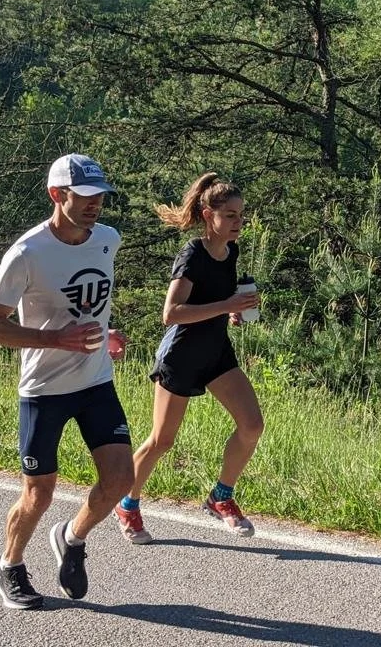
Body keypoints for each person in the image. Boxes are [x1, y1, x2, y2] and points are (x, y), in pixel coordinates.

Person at [0, 153, 135, 610]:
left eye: (100, 196)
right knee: (39, 493)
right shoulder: (27, 253)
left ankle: (71, 537)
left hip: (95, 382)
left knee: (121, 476)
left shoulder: (107, 239)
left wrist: (106, 333)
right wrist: (56, 339)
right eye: (84, 196)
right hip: (44, 390)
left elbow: (88, 304)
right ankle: (9, 566)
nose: (95, 205)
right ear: (56, 195)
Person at [114, 172, 264, 543]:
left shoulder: (231, 252)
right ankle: (127, 504)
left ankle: (221, 497)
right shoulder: (192, 253)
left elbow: (213, 302)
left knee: (252, 425)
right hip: (180, 356)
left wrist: (233, 312)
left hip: (215, 353)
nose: (238, 223)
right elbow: (172, 313)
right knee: (161, 441)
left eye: (241, 215)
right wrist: (226, 304)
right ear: (206, 213)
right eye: (229, 215)